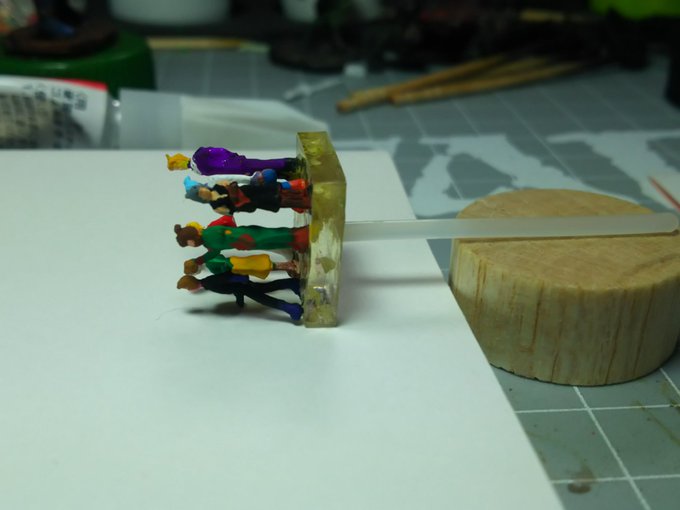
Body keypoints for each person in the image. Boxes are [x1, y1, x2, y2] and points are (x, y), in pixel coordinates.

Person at [174, 221, 309, 275]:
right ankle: (295, 239)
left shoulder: (209, 240)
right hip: (245, 235)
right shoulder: (209, 230)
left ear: (192, 239)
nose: (191, 246)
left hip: (246, 240)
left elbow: (213, 252)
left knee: (270, 238)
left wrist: (199, 260)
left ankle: (299, 237)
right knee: (270, 236)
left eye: (189, 243)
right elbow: (226, 221)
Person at [177, 272, 303, 321]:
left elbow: (226, 278)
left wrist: (241, 279)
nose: (189, 291)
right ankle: (291, 283)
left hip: (243, 286)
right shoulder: (207, 284)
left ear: (191, 286)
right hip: (242, 287)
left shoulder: (209, 283)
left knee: (265, 300)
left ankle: (293, 309)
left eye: (187, 288)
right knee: (266, 287)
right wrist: (240, 301)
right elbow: (232, 288)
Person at [184, 176, 310, 215]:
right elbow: (231, 211)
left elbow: (230, 183)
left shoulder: (217, 185)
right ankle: (303, 203)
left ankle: (300, 192)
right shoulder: (216, 206)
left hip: (248, 190)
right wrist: (234, 200)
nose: (203, 191)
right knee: (276, 200)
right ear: (200, 199)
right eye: (200, 193)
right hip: (250, 202)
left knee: (275, 190)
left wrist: (232, 188)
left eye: (201, 189)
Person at [166, 147, 299, 179]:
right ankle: (287, 174)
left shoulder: (198, 155)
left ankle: (287, 163)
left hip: (236, 164)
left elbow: (219, 151)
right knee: (261, 175)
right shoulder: (197, 171)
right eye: (176, 168)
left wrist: (232, 157)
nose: (179, 168)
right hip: (236, 173)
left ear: (179, 160)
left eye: (176, 166)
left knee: (261, 164)